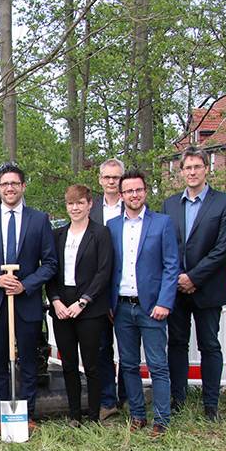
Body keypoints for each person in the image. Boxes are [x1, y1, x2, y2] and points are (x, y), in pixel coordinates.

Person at [0, 164, 57, 437]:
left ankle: (27, 415)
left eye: (14, 184)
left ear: (23, 187)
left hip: (26, 303)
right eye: (4, 184)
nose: (9, 188)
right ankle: (1, 418)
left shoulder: (38, 219)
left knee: (28, 363)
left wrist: (25, 285)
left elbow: (50, 263)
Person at [161, 148, 226, 421]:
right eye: (187, 168)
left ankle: (211, 404)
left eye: (197, 167)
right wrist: (180, 277)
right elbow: (166, 245)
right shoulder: (170, 204)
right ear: (181, 172)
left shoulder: (224, 203)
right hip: (177, 288)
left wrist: (194, 277)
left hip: (209, 287)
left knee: (209, 344)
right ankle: (178, 398)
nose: (192, 172)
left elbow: (222, 247)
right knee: (177, 343)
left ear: (206, 168)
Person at [108, 169, 180, 437]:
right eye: (128, 191)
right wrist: (109, 303)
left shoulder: (161, 223)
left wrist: (165, 302)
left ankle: (161, 419)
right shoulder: (113, 226)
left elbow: (172, 266)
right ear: (122, 194)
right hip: (122, 306)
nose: (133, 195)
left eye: (137, 190)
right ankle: (137, 414)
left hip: (152, 307)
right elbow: (109, 267)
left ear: (145, 191)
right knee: (127, 363)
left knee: (158, 365)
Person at [46, 185, 113, 425]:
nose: (75, 208)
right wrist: (55, 301)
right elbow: (50, 271)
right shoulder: (57, 235)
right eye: (71, 204)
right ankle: (74, 415)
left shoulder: (101, 234)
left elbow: (104, 272)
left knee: (92, 365)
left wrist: (83, 302)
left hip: (90, 308)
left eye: (80, 203)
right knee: (69, 365)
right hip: (62, 308)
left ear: (89, 204)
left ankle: (94, 415)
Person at [91, 158, 127, 421]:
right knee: (102, 348)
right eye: (107, 177)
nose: (111, 182)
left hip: (127, 287)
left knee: (128, 350)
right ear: (100, 179)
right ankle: (107, 401)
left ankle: (127, 396)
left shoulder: (135, 206)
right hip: (98, 292)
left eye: (116, 177)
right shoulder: (91, 210)